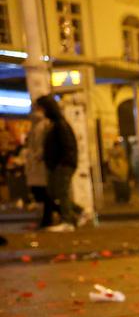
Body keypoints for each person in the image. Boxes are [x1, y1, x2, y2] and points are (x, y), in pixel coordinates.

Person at [35, 94, 82, 230]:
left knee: (62, 192)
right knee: (54, 192)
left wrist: (63, 162)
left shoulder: (60, 124)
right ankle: (77, 212)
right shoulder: (55, 124)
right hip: (58, 163)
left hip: (62, 164)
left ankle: (69, 220)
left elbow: (67, 145)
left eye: (41, 108)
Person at [23, 107, 51, 227]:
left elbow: (40, 146)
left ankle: (47, 218)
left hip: (39, 165)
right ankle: (46, 218)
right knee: (41, 193)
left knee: (42, 193)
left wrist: (35, 157)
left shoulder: (41, 126)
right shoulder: (38, 126)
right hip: (37, 165)